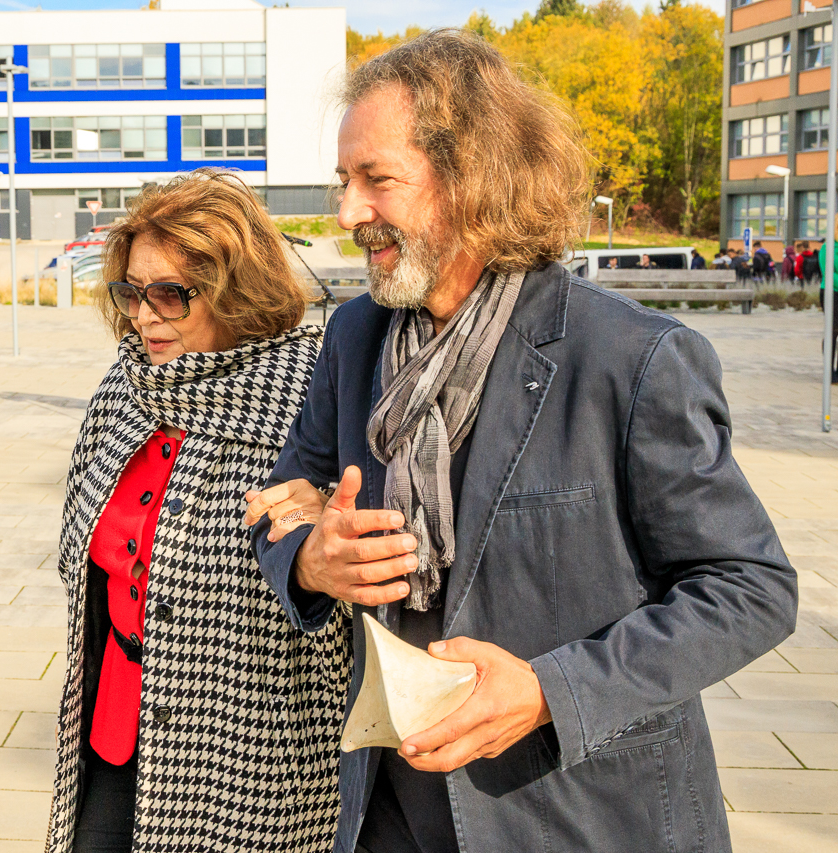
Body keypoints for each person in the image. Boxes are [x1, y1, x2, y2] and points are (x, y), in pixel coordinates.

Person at [247, 30, 796, 853]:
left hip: (580, 819)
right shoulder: (355, 337)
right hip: (387, 813)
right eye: (343, 181)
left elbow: (751, 587)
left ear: (472, 177)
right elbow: (282, 499)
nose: (348, 213)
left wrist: (547, 691)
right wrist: (308, 559)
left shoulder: (630, 357)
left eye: (376, 180)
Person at [44, 169, 350, 853]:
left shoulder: (310, 405)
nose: (143, 315)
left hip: (254, 760)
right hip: (116, 730)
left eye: (170, 294)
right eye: (131, 291)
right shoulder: (126, 391)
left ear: (234, 291)